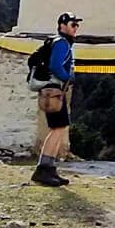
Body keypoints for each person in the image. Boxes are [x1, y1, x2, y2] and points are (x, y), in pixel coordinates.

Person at [32, 11, 81, 187]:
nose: (76, 28)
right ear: (62, 26)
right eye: (72, 25)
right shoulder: (62, 43)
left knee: (57, 127)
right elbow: (55, 65)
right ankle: (44, 168)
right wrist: (68, 77)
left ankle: (48, 168)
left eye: (77, 25)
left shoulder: (55, 41)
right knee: (59, 127)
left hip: (49, 89)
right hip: (54, 90)